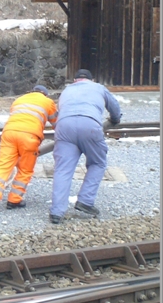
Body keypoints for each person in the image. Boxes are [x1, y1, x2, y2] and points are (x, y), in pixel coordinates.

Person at [49, 69, 121, 225]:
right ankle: (86, 200)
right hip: (89, 125)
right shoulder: (98, 87)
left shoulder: (67, 90)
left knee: (63, 169)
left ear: (75, 80)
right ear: (91, 79)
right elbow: (114, 107)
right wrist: (115, 119)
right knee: (98, 163)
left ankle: (56, 212)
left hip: (64, 126)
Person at [0, 85, 57, 212]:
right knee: (25, 169)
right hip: (29, 136)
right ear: (44, 94)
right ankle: (14, 200)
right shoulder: (47, 102)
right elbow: (57, 123)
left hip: (9, 133)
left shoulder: (19, 99)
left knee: (3, 166)